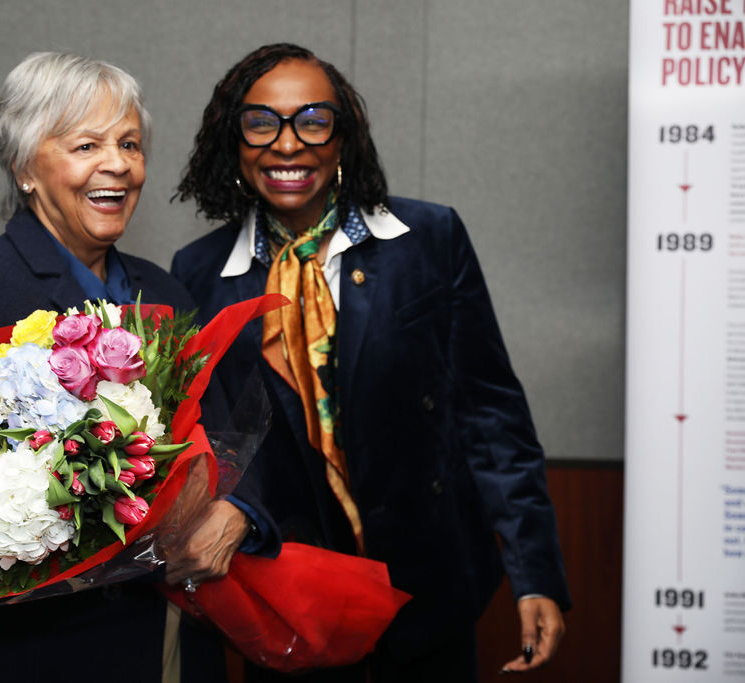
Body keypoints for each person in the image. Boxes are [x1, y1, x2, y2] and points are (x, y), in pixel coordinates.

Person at [171, 43, 572, 682]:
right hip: (290, 598)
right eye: (261, 122)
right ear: (234, 141)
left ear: (344, 138)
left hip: (426, 591)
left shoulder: (427, 242)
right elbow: (215, 445)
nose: (287, 144)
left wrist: (535, 573)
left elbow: (489, 413)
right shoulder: (199, 273)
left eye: (312, 120)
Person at [0, 51, 243, 683]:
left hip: (176, 630)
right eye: (86, 144)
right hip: (43, 651)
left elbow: (229, 436)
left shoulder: (165, 293)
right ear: (25, 169)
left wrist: (239, 510)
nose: (118, 164)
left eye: (130, 143)